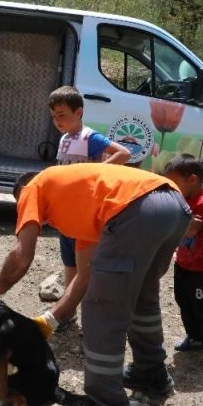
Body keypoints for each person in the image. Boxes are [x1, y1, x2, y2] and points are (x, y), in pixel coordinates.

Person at [0, 163, 192, 406]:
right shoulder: (84, 205)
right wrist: (51, 318)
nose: (28, 215)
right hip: (172, 206)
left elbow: (22, 255)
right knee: (142, 296)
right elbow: (85, 276)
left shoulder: (33, 186)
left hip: (137, 211)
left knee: (101, 309)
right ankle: (151, 373)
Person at [48, 86, 131, 330]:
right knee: (69, 263)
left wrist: (96, 173)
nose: (57, 120)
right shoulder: (64, 139)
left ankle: (91, 319)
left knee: (86, 267)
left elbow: (123, 153)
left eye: (62, 114)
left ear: (79, 112)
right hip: (66, 213)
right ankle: (68, 312)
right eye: (53, 116)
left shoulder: (89, 137)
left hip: (85, 215)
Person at [164, 154, 203, 369]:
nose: (173, 187)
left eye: (175, 182)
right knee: (184, 302)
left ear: (192, 179)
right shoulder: (185, 199)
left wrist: (174, 219)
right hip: (184, 263)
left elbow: (192, 228)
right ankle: (194, 336)